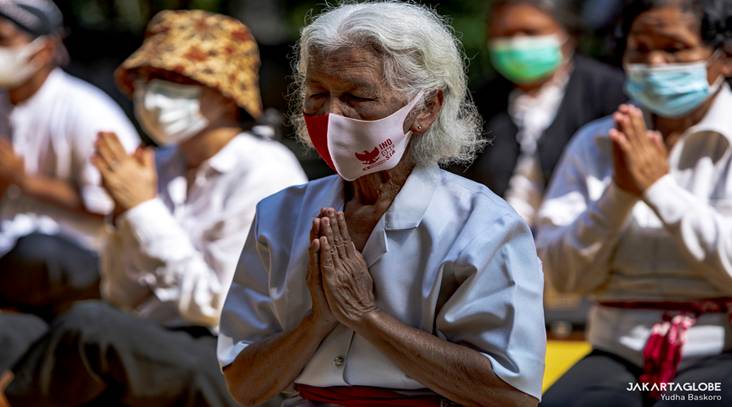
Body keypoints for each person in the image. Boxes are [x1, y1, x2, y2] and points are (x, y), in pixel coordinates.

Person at [218, 3, 546, 406]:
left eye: (358, 96)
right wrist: (318, 321)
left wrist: (366, 318)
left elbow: (512, 394)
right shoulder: (279, 216)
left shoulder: (482, 226)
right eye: (317, 95)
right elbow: (244, 385)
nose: (332, 115)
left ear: (426, 108)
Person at [1, 9, 307, 406]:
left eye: (178, 80)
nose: (155, 93)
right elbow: (122, 295)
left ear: (226, 92)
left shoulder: (265, 173)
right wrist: (123, 216)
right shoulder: (160, 164)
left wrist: (143, 209)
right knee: (13, 334)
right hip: (157, 337)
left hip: (237, 361)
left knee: (90, 328)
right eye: (148, 79)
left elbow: (217, 307)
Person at [537, 0, 732, 405]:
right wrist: (619, 197)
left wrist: (660, 190)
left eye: (675, 49)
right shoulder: (595, 143)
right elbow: (560, 280)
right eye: (639, 49)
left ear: (724, 57)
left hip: (720, 353)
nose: (655, 63)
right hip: (618, 354)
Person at [0, 0, 139, 318]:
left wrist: (24, 182)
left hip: (80, 259)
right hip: (11, 255)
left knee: (36, 252)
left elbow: (113, 208)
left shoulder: (87, 112)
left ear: (45, 50)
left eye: (3, 41)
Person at [459, 0, 627, 225]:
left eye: (531, 32)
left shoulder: (610, 93)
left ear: (568, 34)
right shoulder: (480, 101)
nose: (517, 44)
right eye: (504, 34)